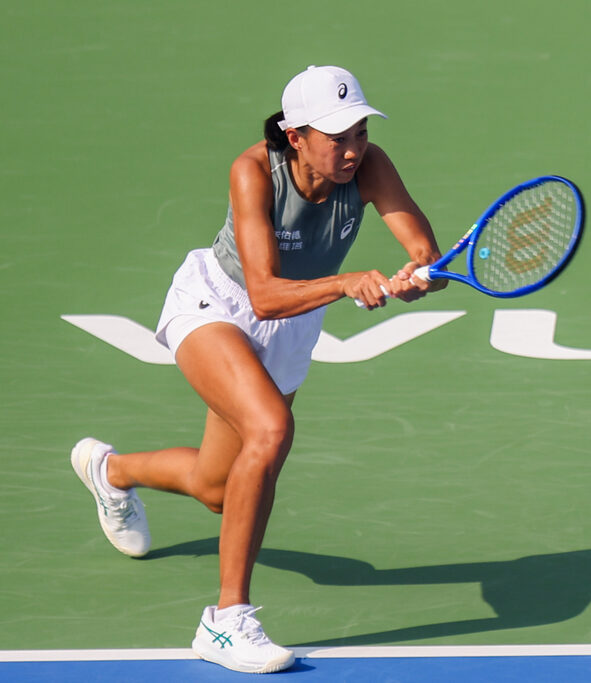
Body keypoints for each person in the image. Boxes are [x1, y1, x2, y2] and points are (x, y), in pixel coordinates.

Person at [70, 65, 445, 674]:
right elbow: (266, 294)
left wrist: (416, 275)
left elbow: (426, 254)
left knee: (218, 490)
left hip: (294, 325)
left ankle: (110, 471)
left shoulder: (371, 166)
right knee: (270, 430)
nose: (352, 149)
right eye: (336, 137)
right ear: (295, 136)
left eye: (359, 132)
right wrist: (347, 282)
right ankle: (226, 621)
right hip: (219, 304)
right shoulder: (253, 171)